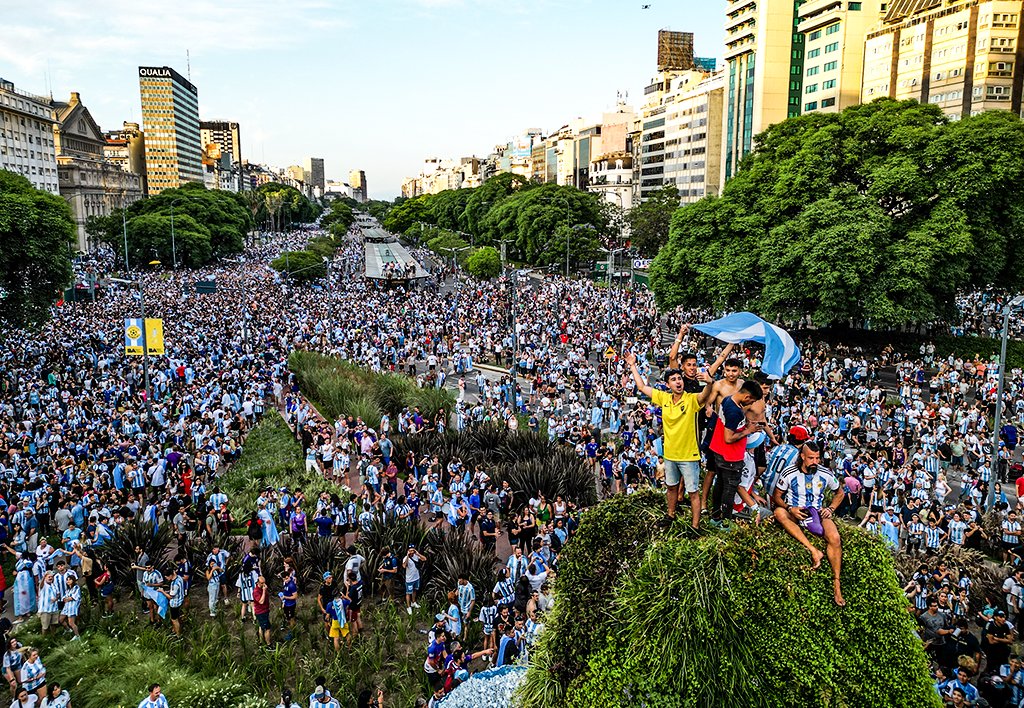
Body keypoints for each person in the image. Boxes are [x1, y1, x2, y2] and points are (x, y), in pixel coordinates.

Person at [625, 352, 712, 530]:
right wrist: (633, 365)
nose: (678, 382)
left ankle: (695, 526)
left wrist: (709, 382)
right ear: (668, 384)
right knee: (671, 488)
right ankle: (670, 515)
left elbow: (704, 397)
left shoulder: (691, 399)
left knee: (693, 492)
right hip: (670, 454)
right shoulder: (664, 398)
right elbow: (642, 387)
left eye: (679, 378)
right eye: (673, 379)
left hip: (688, 455)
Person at [772, 442, 847, 606]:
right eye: (811, 458)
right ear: (802, 457)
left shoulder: (825, 473)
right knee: (779, 513)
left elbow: (840, 493)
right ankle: (814, 550)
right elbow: (777, 497)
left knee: (834, 537)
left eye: (818, 458)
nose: (815, 461)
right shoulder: (789, 473)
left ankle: (837, 583)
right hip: (796, 512)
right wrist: (790, 508)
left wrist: (831, 508)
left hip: (818, 513)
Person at [709, 380, 764, 524]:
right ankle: (725, 521)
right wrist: (748, 431)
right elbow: (729, 437)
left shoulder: (728, 400)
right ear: (746, 397)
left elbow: (730, 426)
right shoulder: (735, 412)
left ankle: (715, 517)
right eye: (751, 401)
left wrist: (745, 425)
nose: (751, 404)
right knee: (729, 489)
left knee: (720, 484)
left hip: (719, 450)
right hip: (730, 455)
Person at [403, 545, 427, 616]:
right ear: (408, 551)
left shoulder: (416, 556)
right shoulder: (405, 558)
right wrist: (407, 556)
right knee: (408, 593)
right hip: (409, 579)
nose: (412, 552)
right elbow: (404, 566)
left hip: (416, 577)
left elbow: (424, 559)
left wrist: (417, 553)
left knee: (414, 590)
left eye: (413, 550)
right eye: (410, 550)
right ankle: (408, 607)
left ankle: (413, 602)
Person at [253, 575, 272, 645]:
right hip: (261, 612)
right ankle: (268, 644)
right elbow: (261, 601)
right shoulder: (256, 591)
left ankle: (261, 642)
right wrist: (264, 591)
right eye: (262, 583)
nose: (264, 585)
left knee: (261, 627)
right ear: (258, 583)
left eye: (264, 583)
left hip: (265, 610)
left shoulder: (262, 588)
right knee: (267, 629)